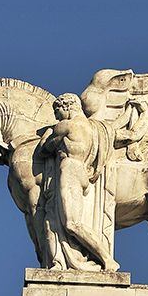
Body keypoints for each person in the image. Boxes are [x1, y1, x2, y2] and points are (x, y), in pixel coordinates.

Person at [41, 93, 118, 271]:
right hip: (81, 172)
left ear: (67, 106)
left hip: (68, 171)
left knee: (71, 224)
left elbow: (44, 150)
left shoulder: (66, 125)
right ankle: (105, 258)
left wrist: (46, 135)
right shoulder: (93, 128)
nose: (56, 116)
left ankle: (107, 259)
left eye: (57, 110)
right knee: (74, 223)